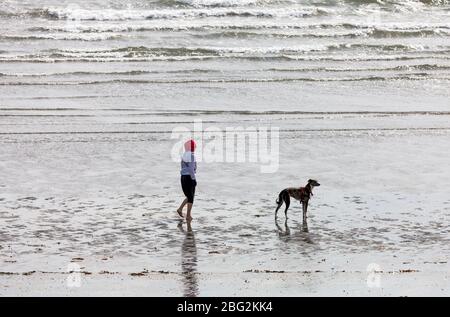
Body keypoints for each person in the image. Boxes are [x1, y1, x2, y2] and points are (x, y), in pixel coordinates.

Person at [177, 139, 197, 221]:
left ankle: (180, 209)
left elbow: (184, 167)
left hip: (183, 177)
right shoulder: (192, 156)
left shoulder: (184, 155)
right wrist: (194, 179)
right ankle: (188, 215)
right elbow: (191, 169)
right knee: (191, 197)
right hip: (189, 177)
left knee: (189, 196)